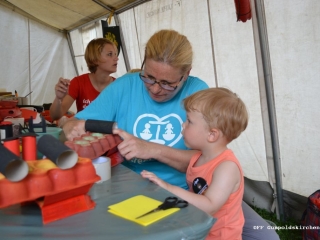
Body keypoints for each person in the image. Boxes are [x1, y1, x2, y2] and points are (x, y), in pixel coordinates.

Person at [62, 29, 209, 189]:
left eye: (167, 84)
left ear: (186, 74)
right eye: (149, 77)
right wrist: (71, 126)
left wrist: (153, 150)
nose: (155, 89)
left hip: (177, 194)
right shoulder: (124, 86)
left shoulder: (198, 93)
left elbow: (208, 159)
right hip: (125, 187)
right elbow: (76, 122)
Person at [141, 87, 248, 239]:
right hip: (199, 230)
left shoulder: (227, 168)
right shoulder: (198, 157)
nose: (183, 125)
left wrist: (168, 188)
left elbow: (210, 205)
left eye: (189, 121)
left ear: (212, 134)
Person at [49, 38, 119, 122]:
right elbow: (55, 116)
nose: (116, 58)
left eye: (115, 54)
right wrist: (59, 98)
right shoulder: (78, 82)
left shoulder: (119, 86)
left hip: (109, 134)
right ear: (95, 59)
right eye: (110, 54)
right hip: (83, 134)